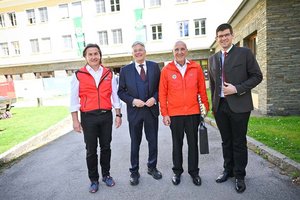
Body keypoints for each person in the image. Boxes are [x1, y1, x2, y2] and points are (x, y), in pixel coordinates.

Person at [208, 23, 263, 193]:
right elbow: (213, 84)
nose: (223, 38)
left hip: (239, 105)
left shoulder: (244, 53)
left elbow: (257, 76)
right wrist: (214, 106)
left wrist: (237, 88)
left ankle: (240, 175)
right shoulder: (213, 58)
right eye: (220, 36)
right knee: (226, 141)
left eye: (226, 35)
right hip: (220, 107)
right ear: (217, 39)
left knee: (239, 142)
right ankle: (228, 170)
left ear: (232, 35)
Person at [70, 43, 122, 193]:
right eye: (90, 54)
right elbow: (73, 100)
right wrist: (75, 120)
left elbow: (115, 96)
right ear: (85, 57)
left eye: (96, 54)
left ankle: (106, 175)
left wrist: (118, 114)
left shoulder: (109, 73)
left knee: (106, 147)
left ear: (100, 55)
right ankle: (94, 180)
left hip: (106, 116)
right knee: (91, 150)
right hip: (88, 118)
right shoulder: (78, 75)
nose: (93, 57)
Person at [159, 41, 209, 186]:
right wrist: (165, 114)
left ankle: (194, 172)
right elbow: (162, 94)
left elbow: (202, 89)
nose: (179, 52)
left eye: (182, 49)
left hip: (193, 113)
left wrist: (204, 107)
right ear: (173, 52)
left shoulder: (196, 67)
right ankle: (177, 172)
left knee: (193, 144)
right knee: (177, 144)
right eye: (176, 49)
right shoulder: (166, 70)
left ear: (186, 51)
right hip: (175, 114)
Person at [118, 41, 162, 186]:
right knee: (135, 142)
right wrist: (132, 101)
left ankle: (152, 167)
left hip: (151, 111)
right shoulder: (125, 70)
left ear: (145, 51)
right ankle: (134, 171)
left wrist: (155, 98)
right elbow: (121, 92)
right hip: (135, 112)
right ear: (132, 53)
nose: (138, 52)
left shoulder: (154, 67)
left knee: (153, 141)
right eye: (135, 50)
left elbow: (161, 88)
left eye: (140, 50)